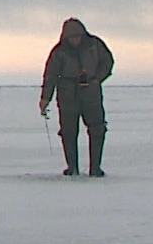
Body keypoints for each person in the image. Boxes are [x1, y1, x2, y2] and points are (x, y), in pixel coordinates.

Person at [38, 17, 113, 176]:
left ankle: (95, 168)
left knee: (97, 129)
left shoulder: (95, 45)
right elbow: (50, 75)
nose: (75, 40)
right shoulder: (59, 52)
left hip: (91, 94)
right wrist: (45, 98)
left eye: (77, 36)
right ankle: (72, 168)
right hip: (67, 95)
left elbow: (108, 62)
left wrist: (95, 78)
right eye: (71, 37)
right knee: (68, 132)